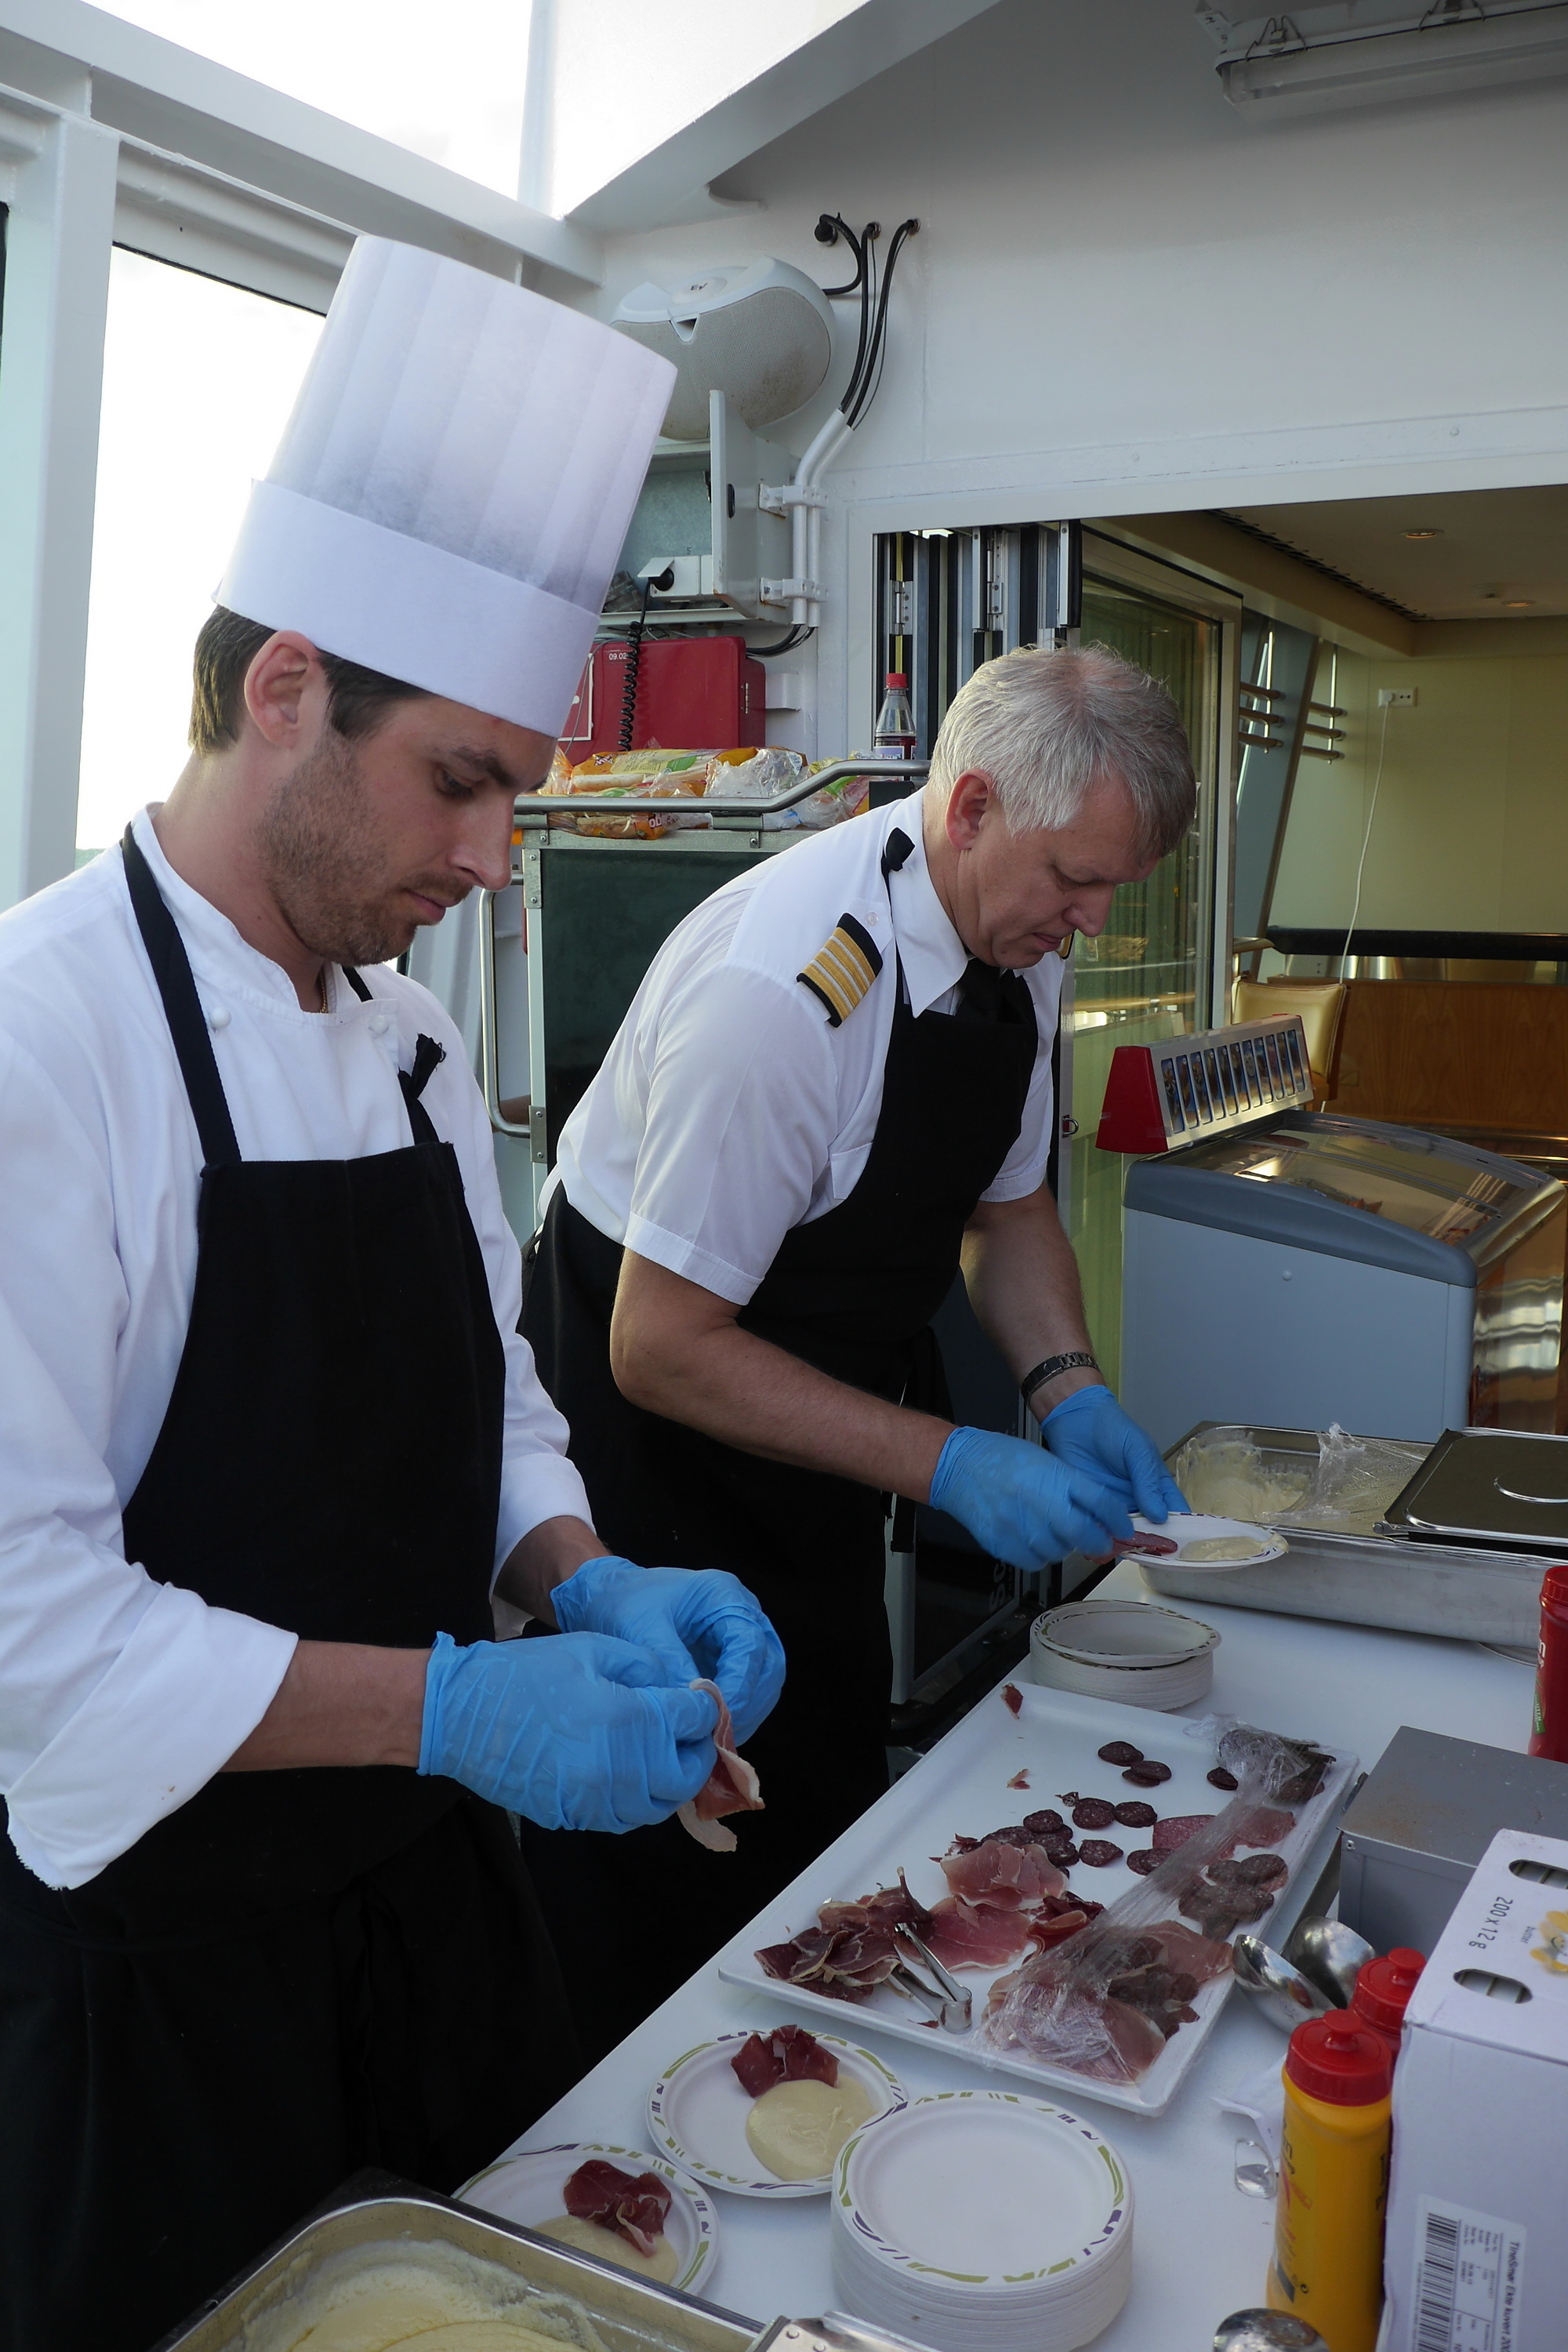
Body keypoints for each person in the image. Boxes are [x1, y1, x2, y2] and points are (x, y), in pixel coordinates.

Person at [0, 239, 782, 2352]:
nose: (501, 853)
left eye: (517, 785)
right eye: (464, 778)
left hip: (433, 1922)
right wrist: (457, 1704)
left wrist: (579, 1570)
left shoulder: (412, 1044)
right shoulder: (35, 1047)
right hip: (168, 1992)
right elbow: (36, 1646)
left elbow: (494, 1392)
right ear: (285, 691)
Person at [519, 642, 1195, 2056]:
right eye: (1073, 879)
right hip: (649, 1446)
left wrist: (1066, 1387)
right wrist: (950, 1463)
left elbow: (1009, 1216)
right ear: (970, 809)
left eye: (1109, 890)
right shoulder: (786, 993)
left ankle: (819, 2081)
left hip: (813, 1433)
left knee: (816, 1789)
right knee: (660, 1837)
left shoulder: (1021, 948)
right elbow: (661, 1345)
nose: (1085, 921)